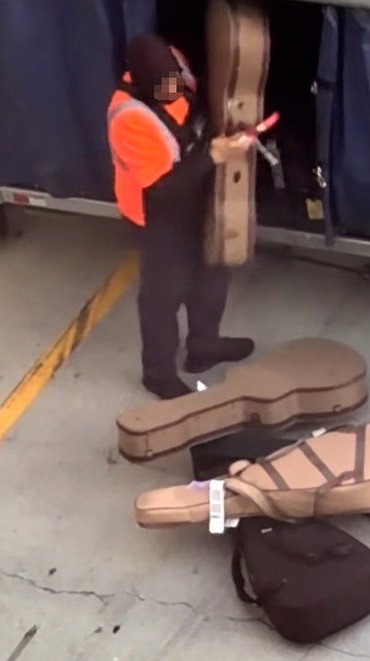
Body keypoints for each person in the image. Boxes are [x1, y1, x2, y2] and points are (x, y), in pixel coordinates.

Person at [107, 34, 256, 400]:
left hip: (195, 201)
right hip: (156, 214)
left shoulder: (173, 68)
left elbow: (196, 105)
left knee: (212, 276)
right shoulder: (128, 118)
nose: (175, 92)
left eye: (177, 82)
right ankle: (157, 374)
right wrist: (214, 156)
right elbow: (162, 188)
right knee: (163, 296)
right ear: (142, 84)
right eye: (166, 89)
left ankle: (203, 348)